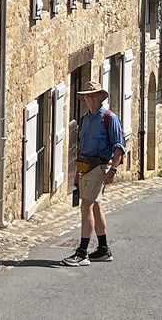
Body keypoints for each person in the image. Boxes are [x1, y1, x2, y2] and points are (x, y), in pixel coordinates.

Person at [61, 80, 126, 266]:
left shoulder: (109, 118)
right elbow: (82, 147)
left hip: (99, 167)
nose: (89, 99)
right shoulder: (85, 119)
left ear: (100, 96)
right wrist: (77, 172)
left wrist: (113, 169)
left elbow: (119, 146)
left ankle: (82, 253)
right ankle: (103, 249)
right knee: (95, 206)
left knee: (86, 206)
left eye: (92, 95)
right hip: (86, 168)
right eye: (86, 96)